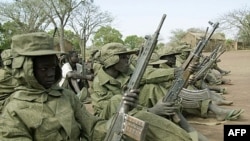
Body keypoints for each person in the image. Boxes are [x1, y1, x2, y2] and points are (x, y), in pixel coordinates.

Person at [0, 32, 192, 141]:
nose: (51, 73)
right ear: (26, 70)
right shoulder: (14, 109)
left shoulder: (65, 96)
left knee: (137, 118)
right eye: (43, 69)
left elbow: (93, 128)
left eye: (53, 67)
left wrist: (121, 118)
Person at [91, 42, 209, 141]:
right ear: (112, 60)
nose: (127, 60)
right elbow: (111, 110)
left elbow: (148, 74)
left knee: (151, 87)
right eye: (123, 57)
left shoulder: (126, 72)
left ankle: (183, 125)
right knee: (117, 99)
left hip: (133, 109)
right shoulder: (98, 82)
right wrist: (152, 111)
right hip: (110, 120)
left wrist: (178, 71)